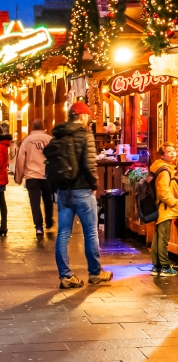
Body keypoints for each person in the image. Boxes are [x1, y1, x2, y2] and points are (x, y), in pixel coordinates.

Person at [52, 102, 112, 289]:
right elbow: (89, 164)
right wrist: (94, 185)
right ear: (82, 116)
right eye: (88, 116)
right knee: (90, 232)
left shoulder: (58, 135)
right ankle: (95, 273)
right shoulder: (86, 136)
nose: (88, 120)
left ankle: (65, 276)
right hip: (83, 190)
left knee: (63, 233)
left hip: (63, 191)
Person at [14, 119, 53, 235]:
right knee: (48, 200)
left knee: (34, 202)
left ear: (32, 127)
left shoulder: (27, 141)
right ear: (43, 127)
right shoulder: (49, 139)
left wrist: (19, 177)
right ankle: (49, 221)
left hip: (31, 176)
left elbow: (20, 159)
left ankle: (39, 226)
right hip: (47, 175)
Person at [150, 143, 178, 277]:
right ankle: (165, 267)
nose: (173, 153)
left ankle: (157, 266)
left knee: (158, 236)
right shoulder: (164, 170)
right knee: (163, 238)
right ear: (162, 155)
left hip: (160, 207)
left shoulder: (162, 168)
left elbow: (167, 186)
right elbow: (163, 192)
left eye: (174, 151)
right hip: (165, 208)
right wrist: (174, 202)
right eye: (169, 152)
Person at [0, 129, 10, 236]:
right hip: (1, 178)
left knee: (1, 202)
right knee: (1, 202)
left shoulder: (0, 146)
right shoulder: (3, 145)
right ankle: (3, 225)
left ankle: (3, 225)